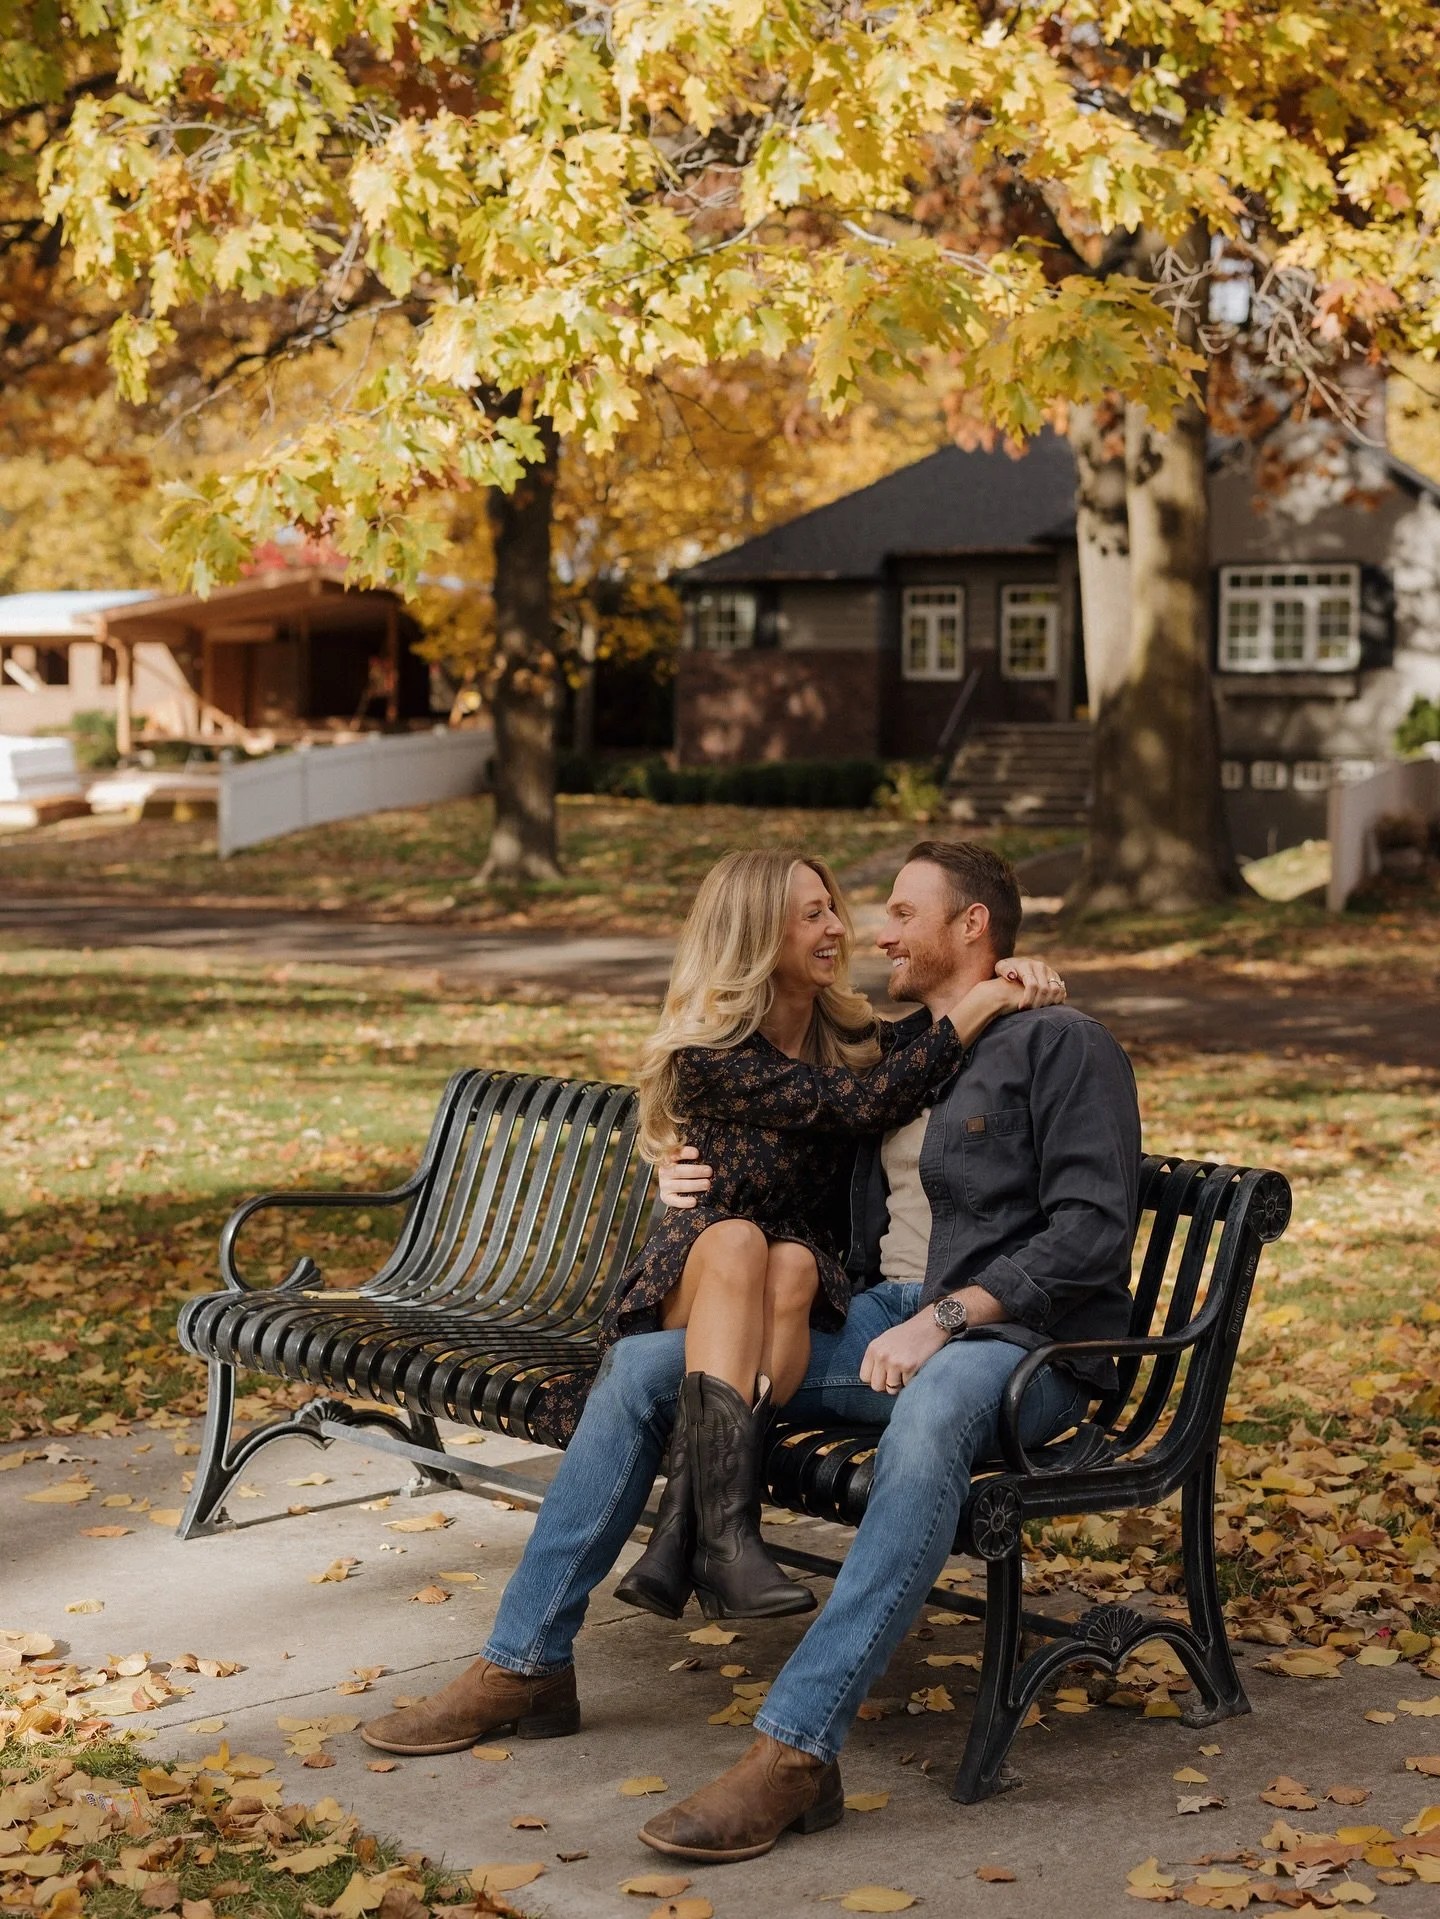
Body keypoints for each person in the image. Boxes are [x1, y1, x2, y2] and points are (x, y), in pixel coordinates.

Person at [361, 842, 1140, 1874]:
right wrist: (675, 1167)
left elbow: (1091, 1231)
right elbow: (793, 1129)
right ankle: (526, 1659)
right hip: (885, 1317)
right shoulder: (900, 1052)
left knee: (934, 1410)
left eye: (901, 913)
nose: (875, 932)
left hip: (1018, 1345)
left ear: (974, 926)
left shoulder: (1064, 1043)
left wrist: (948, 1317)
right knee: (643, 1371)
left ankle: (797, 1748)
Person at [605, 848, 1060, 1623]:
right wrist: (984, 997)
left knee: (793, 1266)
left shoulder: (846, 1032)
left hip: (782, 1272)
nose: (841, 928)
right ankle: (723, 1537)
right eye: (813, 914)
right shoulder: (709, 1057)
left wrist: (1007, 970)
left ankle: (685, 1530)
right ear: (759, 936)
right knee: (744, 1243)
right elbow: (865, 1102)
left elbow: (916, 1047)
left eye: (832, 909)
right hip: (699, 1268)